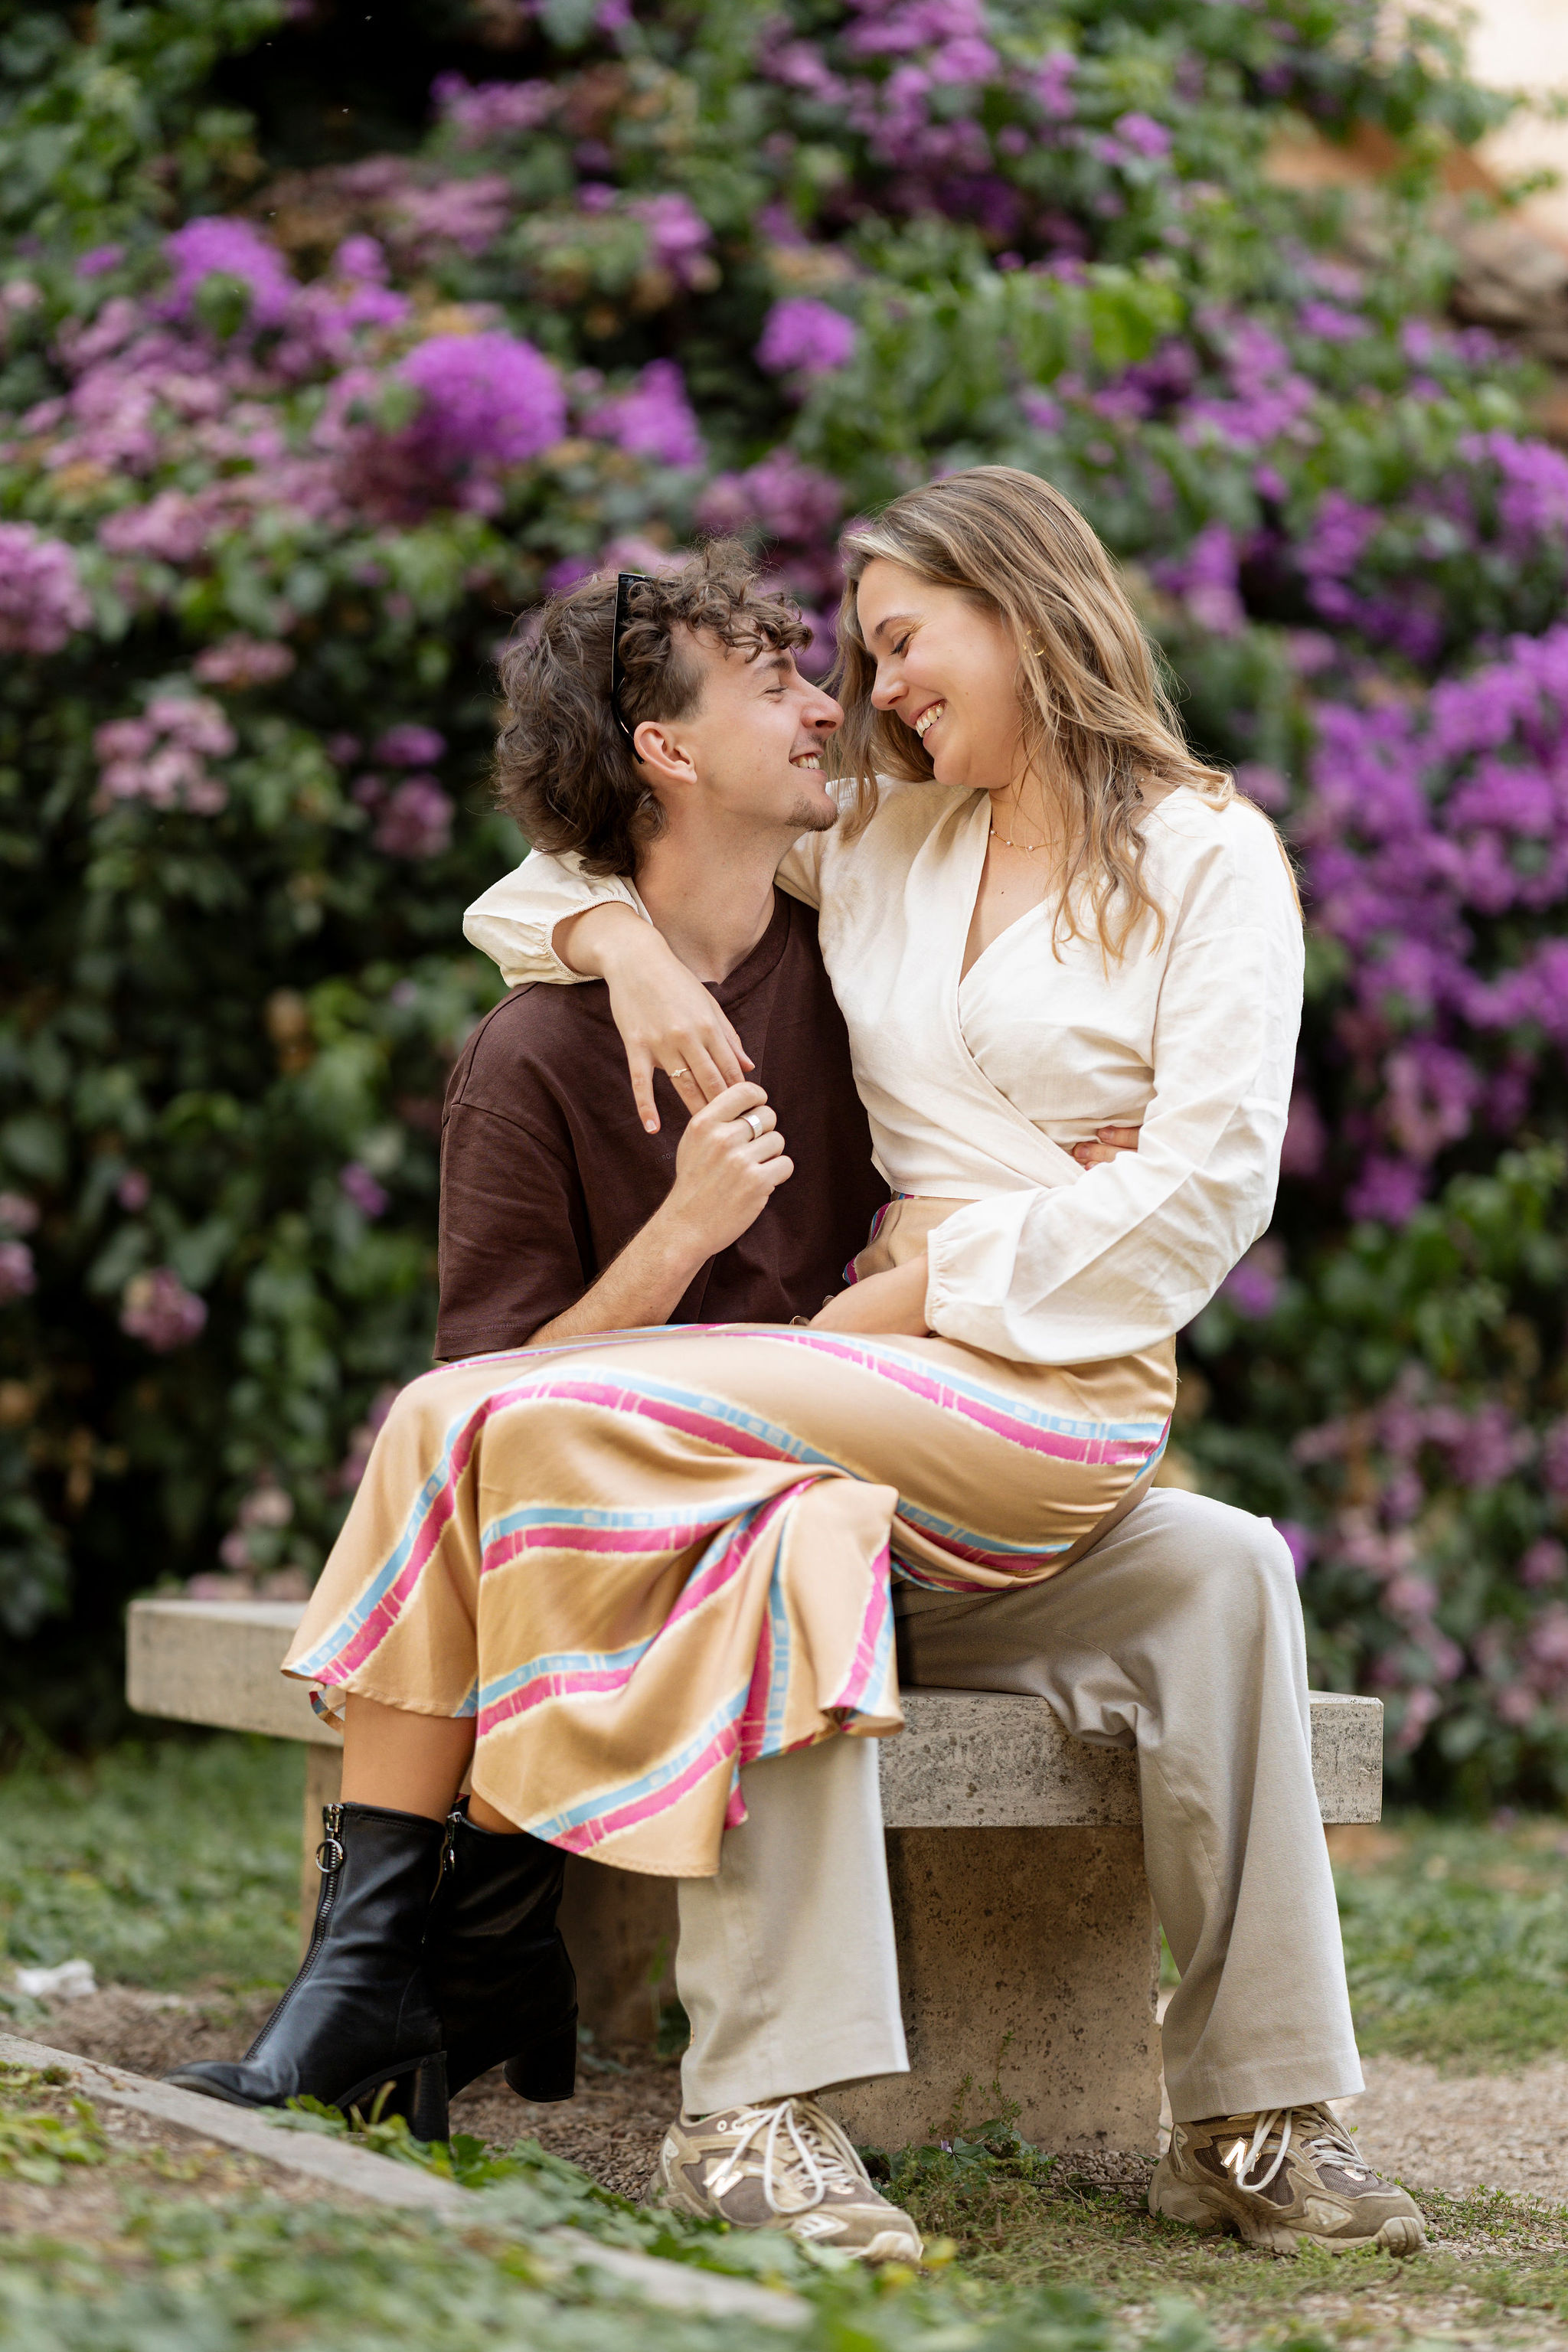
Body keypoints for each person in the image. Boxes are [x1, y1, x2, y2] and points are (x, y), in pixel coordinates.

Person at [459, 469, 1429, 2259]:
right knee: (811, 1529)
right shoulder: (883, 843)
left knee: (1216, 1573)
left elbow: (1201, 1195)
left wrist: (929, 1284)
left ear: (1022, 604)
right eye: (863, 650)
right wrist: (628, 957)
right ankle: (754, 2119)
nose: (879, 685)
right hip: (878, 1449)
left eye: (903, 639)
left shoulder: (1211, 860)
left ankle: (1254, 2122)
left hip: (1015, 1394)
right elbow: (564, 862)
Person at [168, 545, 925, 2260]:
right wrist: (682, 1235)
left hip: (840, 1490)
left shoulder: (866, 961)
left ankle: (410, 1962)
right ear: (665, 752)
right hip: (607, 1510)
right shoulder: (529, 1058)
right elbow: (490, 1414)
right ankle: (450, 1954)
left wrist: (619, 933)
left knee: (717, 1503)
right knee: (480, 1439)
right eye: (777, 678)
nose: (832, 706)